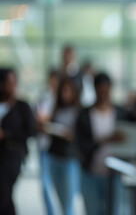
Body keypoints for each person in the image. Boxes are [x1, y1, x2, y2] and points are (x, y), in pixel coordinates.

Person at [75, 72, 127, 215]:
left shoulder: (121, 112)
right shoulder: (85, 115)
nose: (103, 93)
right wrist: (106, 139)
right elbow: (81, 145)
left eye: (106, 89)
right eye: (100, 89)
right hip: (91, 172)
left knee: (114, 210)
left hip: (114, 174)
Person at [0, 68, 36, 215]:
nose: (12, 86)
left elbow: (31, 131)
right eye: (8, 83)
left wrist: (6, 135)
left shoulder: (22, 107)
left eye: (14, 83)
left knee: (3, 192)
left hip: (12, 156)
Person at [45, 77, 81, 215]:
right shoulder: (56, 109)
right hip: (55, 156)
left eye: (68, 90)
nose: (65, 93)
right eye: (63, 90)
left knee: (68, 203)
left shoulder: (79, 111)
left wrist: (71, 135)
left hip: (70, 158)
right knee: (59, 199)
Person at [34, 69, 59, 215]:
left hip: (57, 149)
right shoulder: (44, 97)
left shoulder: (61, 100)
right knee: (45, 184)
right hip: (44, 146)